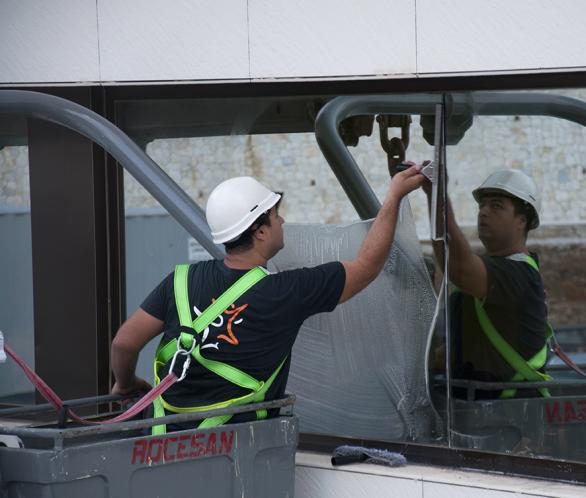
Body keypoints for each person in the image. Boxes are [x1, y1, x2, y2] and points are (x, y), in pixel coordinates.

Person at [110, 166, 425, 431]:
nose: (283, 221)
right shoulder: (286, 292)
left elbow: (124, 343)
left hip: (159, 444)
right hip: (234, 451)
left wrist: (125, 384)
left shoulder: (180, 280)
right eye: (276, 215)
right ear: (260, 231)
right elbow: (367, 267)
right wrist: (394, 197)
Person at [425, 168, 550, 399]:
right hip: (479, 417)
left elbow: (459, 267)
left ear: (521, 221)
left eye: (497, 206)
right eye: (482, 205)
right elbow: (453, 354)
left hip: (512, 422)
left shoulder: (518, 274)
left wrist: (437, 196)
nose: (483, 212)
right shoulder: (479, 284)